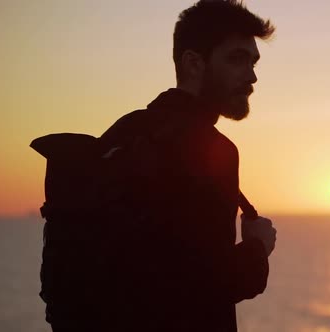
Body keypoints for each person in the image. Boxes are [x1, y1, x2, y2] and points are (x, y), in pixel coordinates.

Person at [59, 1, 277, 331]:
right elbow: (207, 285)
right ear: (193, 63)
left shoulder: (125, 131)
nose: (252, 76)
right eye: (237, 59)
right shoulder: (214, 150)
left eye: (253, 61)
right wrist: (257, 247)